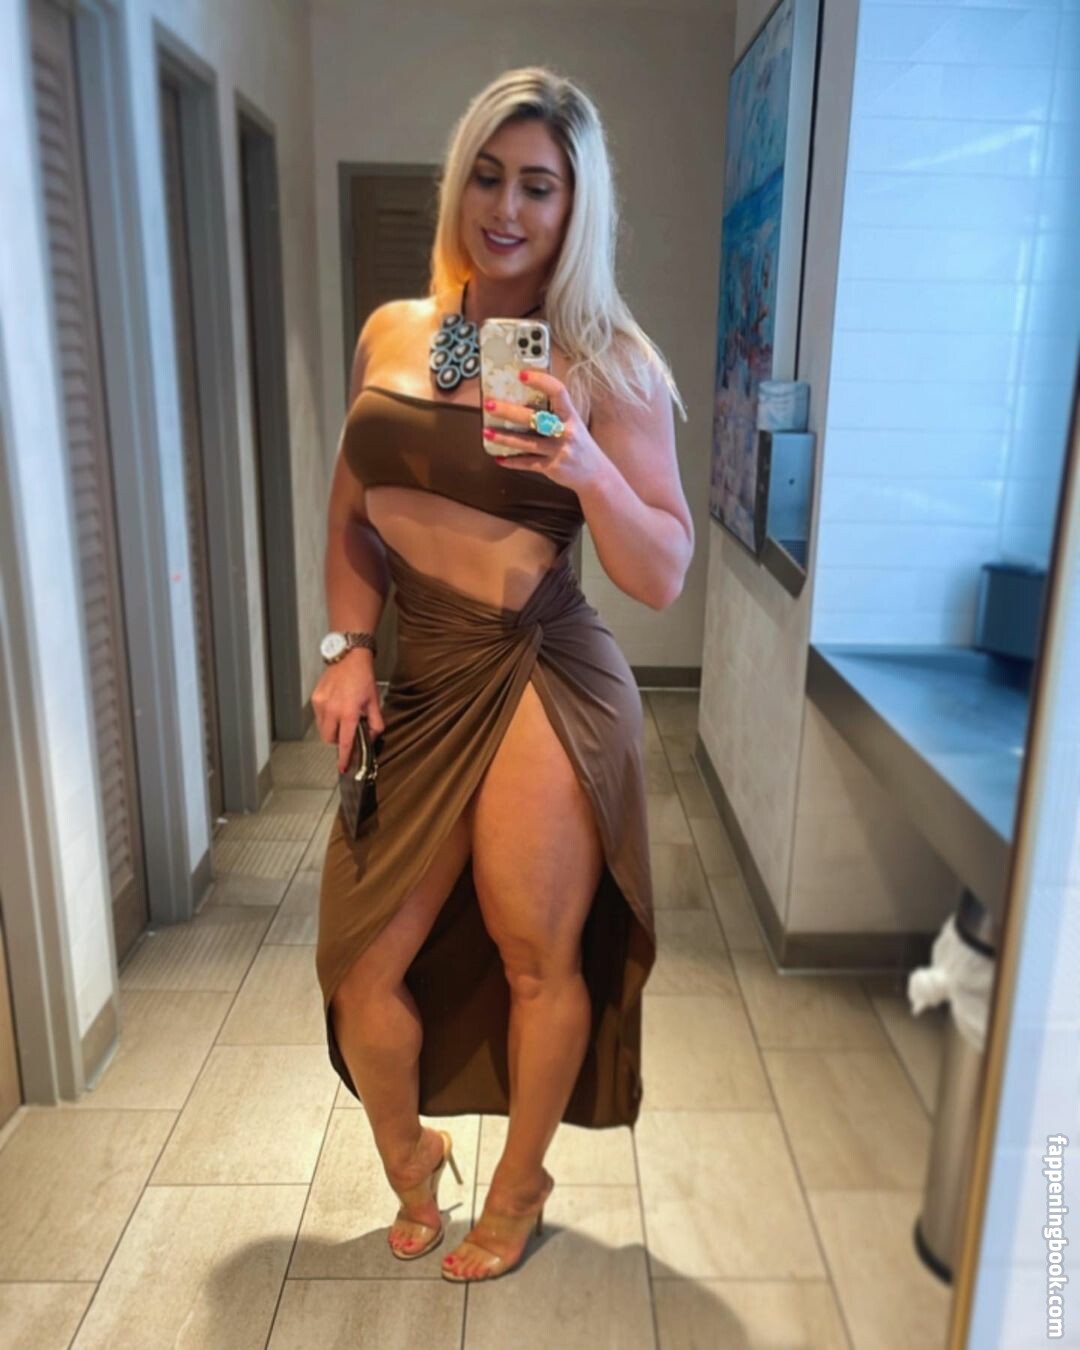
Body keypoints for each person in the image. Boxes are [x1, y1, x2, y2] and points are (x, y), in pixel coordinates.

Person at [313, 65, 692, 1284]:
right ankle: (408, 1153)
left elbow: (664, 569)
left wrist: (586, 464)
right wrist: (348, 648)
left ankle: (520, 1184)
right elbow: (351, 518)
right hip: (420, 673)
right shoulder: (397, 332)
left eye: (539, 185)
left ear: (579, 207)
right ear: (457, 184)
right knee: (360, 961)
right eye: (487, 176)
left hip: (540, 672)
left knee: (538, 957)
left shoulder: (612, 365)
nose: (507, 208)